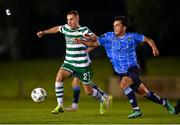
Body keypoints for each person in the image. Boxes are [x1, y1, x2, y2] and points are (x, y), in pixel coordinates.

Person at [76, 15, 175, 118]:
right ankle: (165, 103)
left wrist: (154, 48)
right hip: (121, 72)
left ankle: (136, 110)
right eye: (114, 25)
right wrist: (82, 41)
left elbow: (148, 39)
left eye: (117, 25)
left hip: (133, 68)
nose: (115, 27)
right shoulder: (108, 37)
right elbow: (93, 43)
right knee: (145, 93)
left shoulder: (132, 36)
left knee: (123, 84)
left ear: (124, 27)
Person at [37, 10, 108, 115]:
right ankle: (60, 105)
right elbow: (57, 28)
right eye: (68, 20)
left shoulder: (84, 30)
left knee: (88, 91)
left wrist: (90, 37)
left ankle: (102, 100)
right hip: (69, 62)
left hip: (82, 65)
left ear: (77, 19)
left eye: (71, 19)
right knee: (59, 77)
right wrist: (44, 32)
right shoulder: (66, 28)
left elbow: (95, 39)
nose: (69, 22)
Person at [65, 46, 113, 111]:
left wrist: (85, 51)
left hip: (83, 62)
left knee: (77, 83)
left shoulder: (83, 36)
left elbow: (93, 43)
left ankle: (74, 106)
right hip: (78, 62)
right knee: (84, 83)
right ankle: (106, 96)